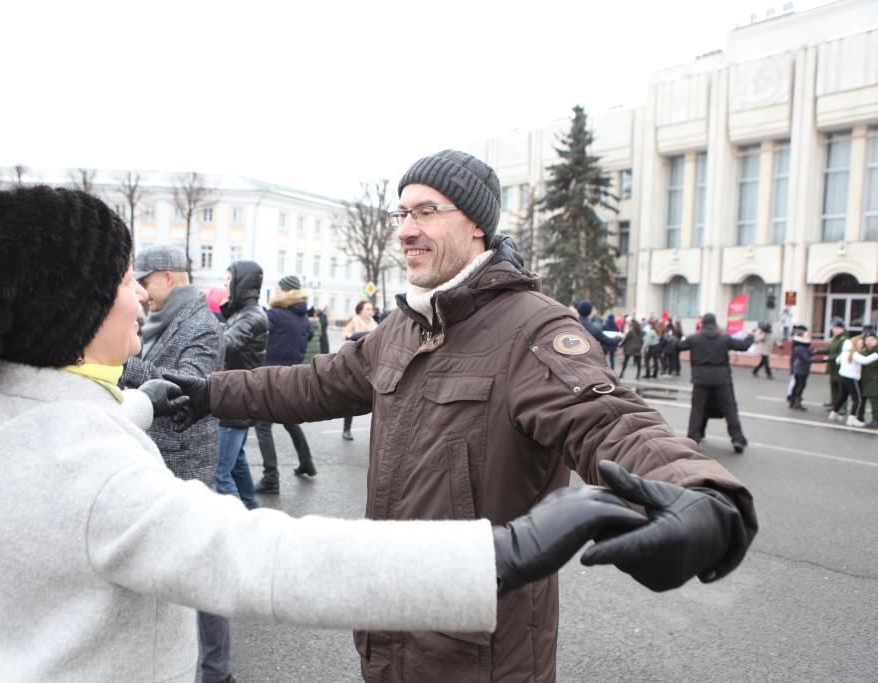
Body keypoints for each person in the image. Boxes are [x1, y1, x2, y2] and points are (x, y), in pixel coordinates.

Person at [0, 186, 648, 681]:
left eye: (425, 211)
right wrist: (500, 552)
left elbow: (613, 419)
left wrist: (174, 397)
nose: (138, 300)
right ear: (67, 309)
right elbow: (271, 559)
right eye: (119, 282)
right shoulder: (93, 473)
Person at [171, 150, 758, 682]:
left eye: (425, 211)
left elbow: (609, 418)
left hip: (479, 658)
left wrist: (700, 492)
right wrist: (207, 394)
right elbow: (310, 383)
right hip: (388, 634)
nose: (405, 230)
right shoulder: (403, 327)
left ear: (476, 224)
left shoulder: (533, 327)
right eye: (401, 214)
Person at [120, 244, 234, 683]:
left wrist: (116, 366)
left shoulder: (203, 324)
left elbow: (186, 387)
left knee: (202, 569)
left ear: (169, 276)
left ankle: (217, 673)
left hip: (185, 459)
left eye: (145, 282)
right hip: (155, 455)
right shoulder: (161, 319)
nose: (143, 295)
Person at [254, 274, 317, 494]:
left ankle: (271, 477)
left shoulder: (274, 315)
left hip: (272, 379)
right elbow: (307, 339)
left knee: (262, 426)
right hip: (293, 378)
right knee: (290, 422)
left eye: (279, 288)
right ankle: (306, 462)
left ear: (287, 291)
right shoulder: (303, 318)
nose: (276, 291)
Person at [214, 260, 268, 510]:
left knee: (220, 475)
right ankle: (252, 509)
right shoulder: (243, 313)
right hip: (237, 395)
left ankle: (243, 528)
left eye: (228, 281)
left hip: (236, 398)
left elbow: (224, 345)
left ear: (241, 283)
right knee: (236, 462)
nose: (225, 286)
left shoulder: (253, 317)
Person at [677, 312, 754, 452]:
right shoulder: (724, 338)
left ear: (703, 323)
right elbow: (743, 346)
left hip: (700, 379)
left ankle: (693, 439)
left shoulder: (694, 338)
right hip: (721, 379)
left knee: (697, 409)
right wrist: (751, 336)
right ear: (714, 323)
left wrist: (670, 338)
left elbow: (679, 345)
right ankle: (737, 439)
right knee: (729, 409)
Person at [340, 300, 377, 440]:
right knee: (351, 398)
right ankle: (346, 430)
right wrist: (354, 336)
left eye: (371, 309)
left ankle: (377, 432)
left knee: (375, 399)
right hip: (355, 363)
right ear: (360, 310)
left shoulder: (374, 323)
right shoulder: (354, 321)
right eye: (368, 309)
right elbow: (345, 334)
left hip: (371, 363)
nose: (370, 311)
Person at [829, 333, 878, 427]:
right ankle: (852, 418)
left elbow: (837, 360)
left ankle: (834, 413)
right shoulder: (854, 354)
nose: (863, 344)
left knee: (843, 396)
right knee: (858, 400)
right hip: (851, 378)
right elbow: (865, 360)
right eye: (861, 343)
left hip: (844, 377)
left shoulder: (845, 353)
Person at [787, 325, 827, 411]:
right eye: (806, 336)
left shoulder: (800, 346)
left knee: (798, 385)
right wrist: (823, 360)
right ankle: (796, 402)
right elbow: (807, 359)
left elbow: (810, 351)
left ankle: (793, 401)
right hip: (800, 370)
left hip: (800, 369)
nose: (808, 337)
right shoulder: (800, 348)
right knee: (800, 386)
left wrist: (816, 351)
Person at [576, 300, 620, 371]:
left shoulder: (571, 323)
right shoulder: (593, 328)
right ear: (590, 312)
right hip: (587, 364)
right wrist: (619, 337)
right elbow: (609, 341)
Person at [815, 318, 848, 410]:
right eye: (833, 328)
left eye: (837, 328)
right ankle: (834, 403)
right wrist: (817, 351)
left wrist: (828, 359)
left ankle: (842, 407)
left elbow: (841, 354)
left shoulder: (844, 339)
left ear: (842, 329)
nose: (834, 329)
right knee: (833, 386)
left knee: (841, 388)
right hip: (833, 367)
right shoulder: (835, 338)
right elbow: (830, 349)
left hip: (840, 367)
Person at [858, 328, 878, 427]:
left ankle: (876, 419)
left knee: (875, 400)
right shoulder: (865, 350)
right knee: (863, 398)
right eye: (867, 339)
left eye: (872, 339)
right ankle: (860, 417)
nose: (869, 341)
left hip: (875, 379)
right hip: (865, 379)